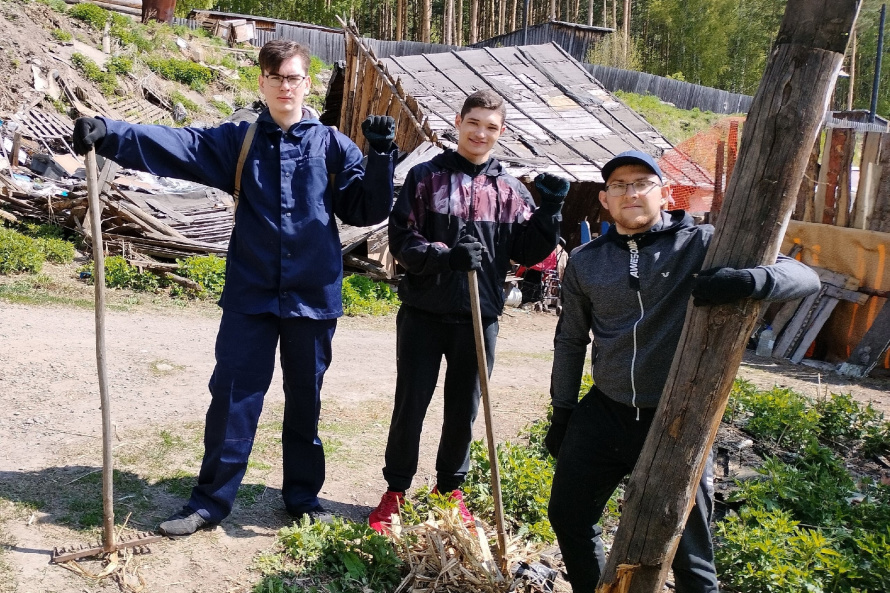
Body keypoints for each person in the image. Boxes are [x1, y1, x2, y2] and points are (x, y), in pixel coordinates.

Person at [72, 39, 399, 536]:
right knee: (232, 397)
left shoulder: (333, 146)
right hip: (251, 293)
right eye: (276, 78)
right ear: (262, 82)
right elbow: (178, 145)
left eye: (293, 77)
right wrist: (110, 133)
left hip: (313, 296)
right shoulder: (238, 142)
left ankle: (302, 498)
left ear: (307, 83)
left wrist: (381, 156)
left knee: (305, 399)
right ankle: (209, 503)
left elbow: (366, 210)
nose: (285, 86)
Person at [545, 150, 820, 592]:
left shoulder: (703, 243)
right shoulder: (586, 260)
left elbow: (806, 277)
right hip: (606, 410)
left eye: (642, 183)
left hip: (677, 416)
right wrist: (563, 411)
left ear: (666, 193)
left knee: (689, 550)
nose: (631, 193)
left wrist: (751, 282)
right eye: (619, 185)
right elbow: (571, 340)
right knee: (568, 516)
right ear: (604, 199)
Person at [368, 89, 568, 532]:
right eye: (473, 122)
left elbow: (530, 251)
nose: (480, 133)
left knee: (465, 409)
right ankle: (395, 490)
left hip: (480, 318)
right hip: (423, 313)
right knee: (410, 405)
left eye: (491, 127)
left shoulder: (511, 190)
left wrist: (550, 212)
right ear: (458, 123)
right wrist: (444, 258)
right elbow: (402, 240)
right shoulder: (426, 177)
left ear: (501, 132)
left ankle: (448, 491)